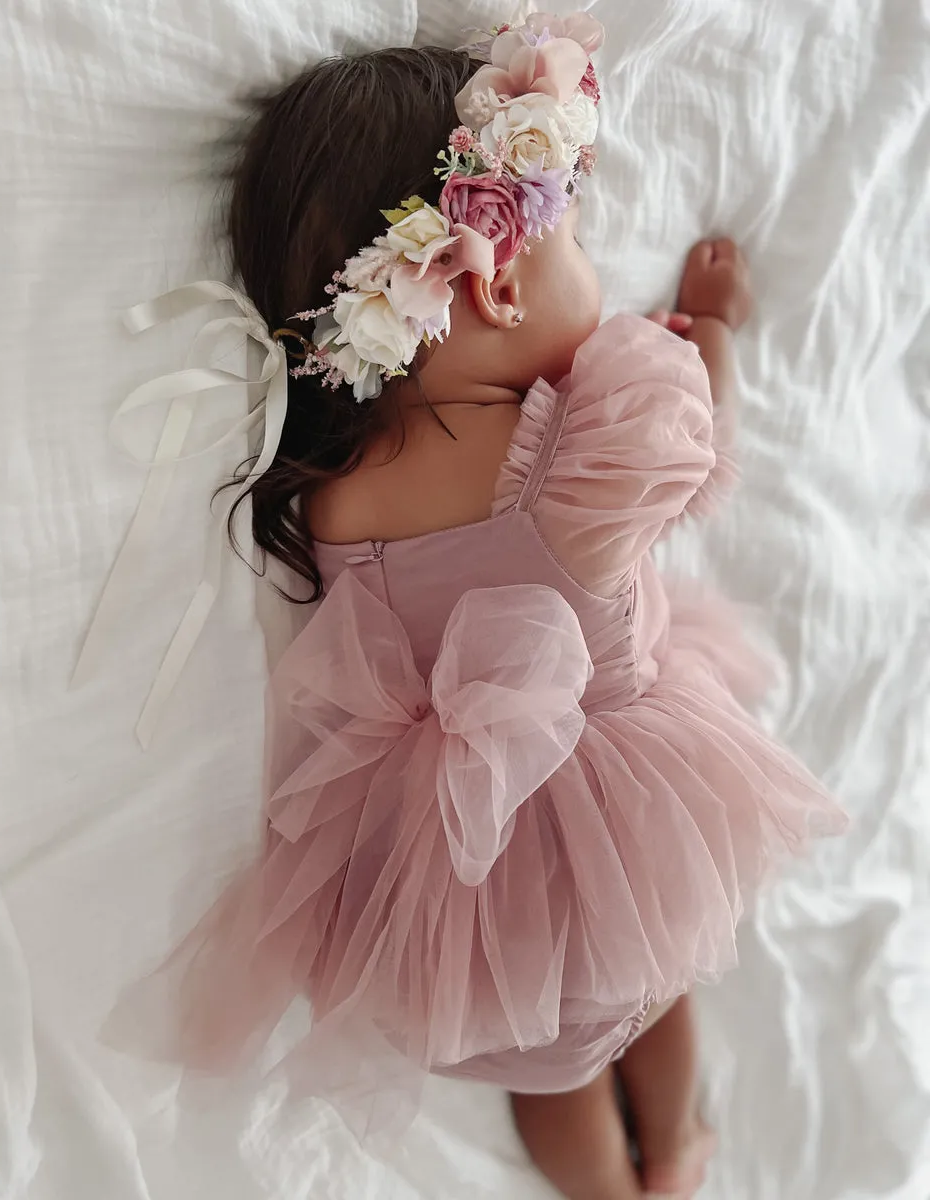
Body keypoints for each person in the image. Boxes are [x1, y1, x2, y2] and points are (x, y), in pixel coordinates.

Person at [113, 14, 846, 1199]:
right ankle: (676, 1152)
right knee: (664, 977)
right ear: (498, 285)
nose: (592, 265)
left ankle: (618, 1188)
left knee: (546, 1076)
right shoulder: (575, 455)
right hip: (623, 816)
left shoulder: (330, 491)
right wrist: (711, 329)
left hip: (458, 881)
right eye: (577, 238)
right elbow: (695, 449)